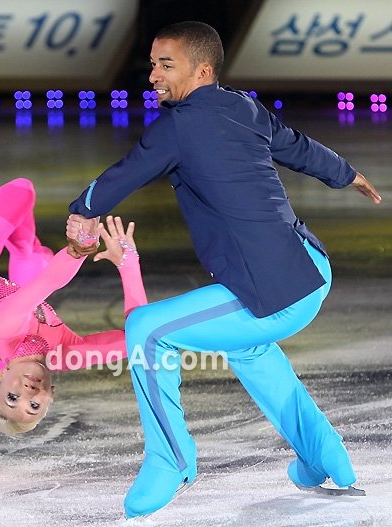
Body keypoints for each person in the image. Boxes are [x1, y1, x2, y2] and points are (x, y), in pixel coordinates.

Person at [67, 21, 382, 518]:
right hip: (309, 268)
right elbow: (297, 146)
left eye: (165, 65)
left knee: (147, 329)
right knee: (248, 347)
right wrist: (347, 174)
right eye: (152, 64)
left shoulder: (177, 126)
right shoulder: (243, 107)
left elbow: (122, 176)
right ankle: (326, 461)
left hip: (273, 289)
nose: (153, 76)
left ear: (202, 70)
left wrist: (82, 211)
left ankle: (172, 461)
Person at [0, 178, 146, 471]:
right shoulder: (66, 354)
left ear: (2, 376)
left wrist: (79, 248)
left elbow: (47, 284)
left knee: (21, 191)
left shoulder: (5, 327)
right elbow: (141, 335)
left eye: (12, 397)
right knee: (35, 259)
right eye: (34, 406)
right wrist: (128, 263)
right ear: (50, 397)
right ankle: (28, 252)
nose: (28, 392)